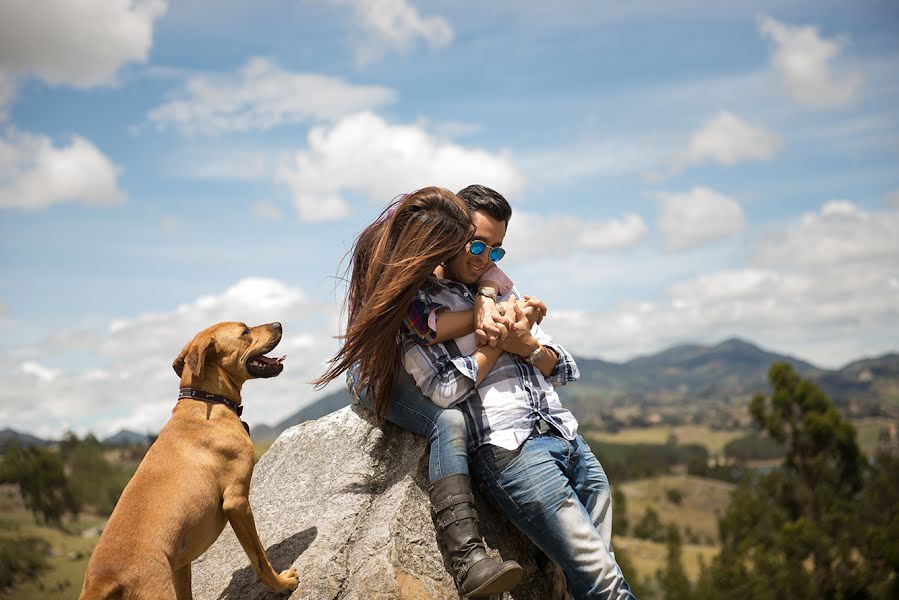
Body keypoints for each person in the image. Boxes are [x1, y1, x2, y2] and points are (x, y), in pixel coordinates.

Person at [402, 184, 635, 600]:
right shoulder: (421, 302)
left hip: (567, 436)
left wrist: (524, 344)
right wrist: (495, 342)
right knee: (605, 581)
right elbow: (444, 392)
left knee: (595, 575)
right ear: (450, 233)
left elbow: (563, 367)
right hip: (511, 449)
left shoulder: (501, 289)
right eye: (478, 244)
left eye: (496, 250)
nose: (484, 258)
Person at [315, 187, 523, 598]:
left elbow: (490, 271)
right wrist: (489, 317)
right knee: (447, 421)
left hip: (417, 359)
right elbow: (431, 328)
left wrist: (483, 293)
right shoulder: (396, 271)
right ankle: (467, 561)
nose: (475, 258)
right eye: (466, 247)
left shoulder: (432, 222)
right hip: (377, 370)